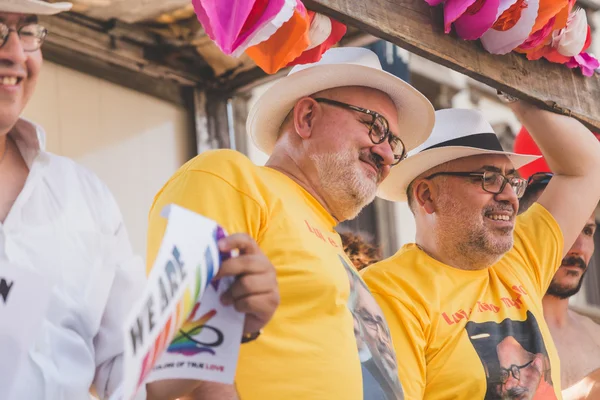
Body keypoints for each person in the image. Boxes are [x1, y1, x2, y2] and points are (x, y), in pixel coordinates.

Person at [0, 2, 278, 399]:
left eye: (28, 30)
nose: (15, 53)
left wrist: (226, 316)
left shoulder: (83, 195)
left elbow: (132, 377)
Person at [147, 46, 435, 399]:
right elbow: (195, 339)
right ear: (307, 117)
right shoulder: (231, 176)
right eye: (374, 126)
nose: (388, 154)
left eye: (394, 142)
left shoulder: (330, 240)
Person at [361, 99, 600, 399]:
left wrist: (517, 91)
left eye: (511, 180)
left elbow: (588, 166)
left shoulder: (519, 258)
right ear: (427, 196)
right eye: (489, 179)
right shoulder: (389, 290)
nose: (510, 196)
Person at [514, 127, 600, 399]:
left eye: (587, 230)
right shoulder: (494, 330)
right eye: (563, 229)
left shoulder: (596, 335)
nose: (579, 248)